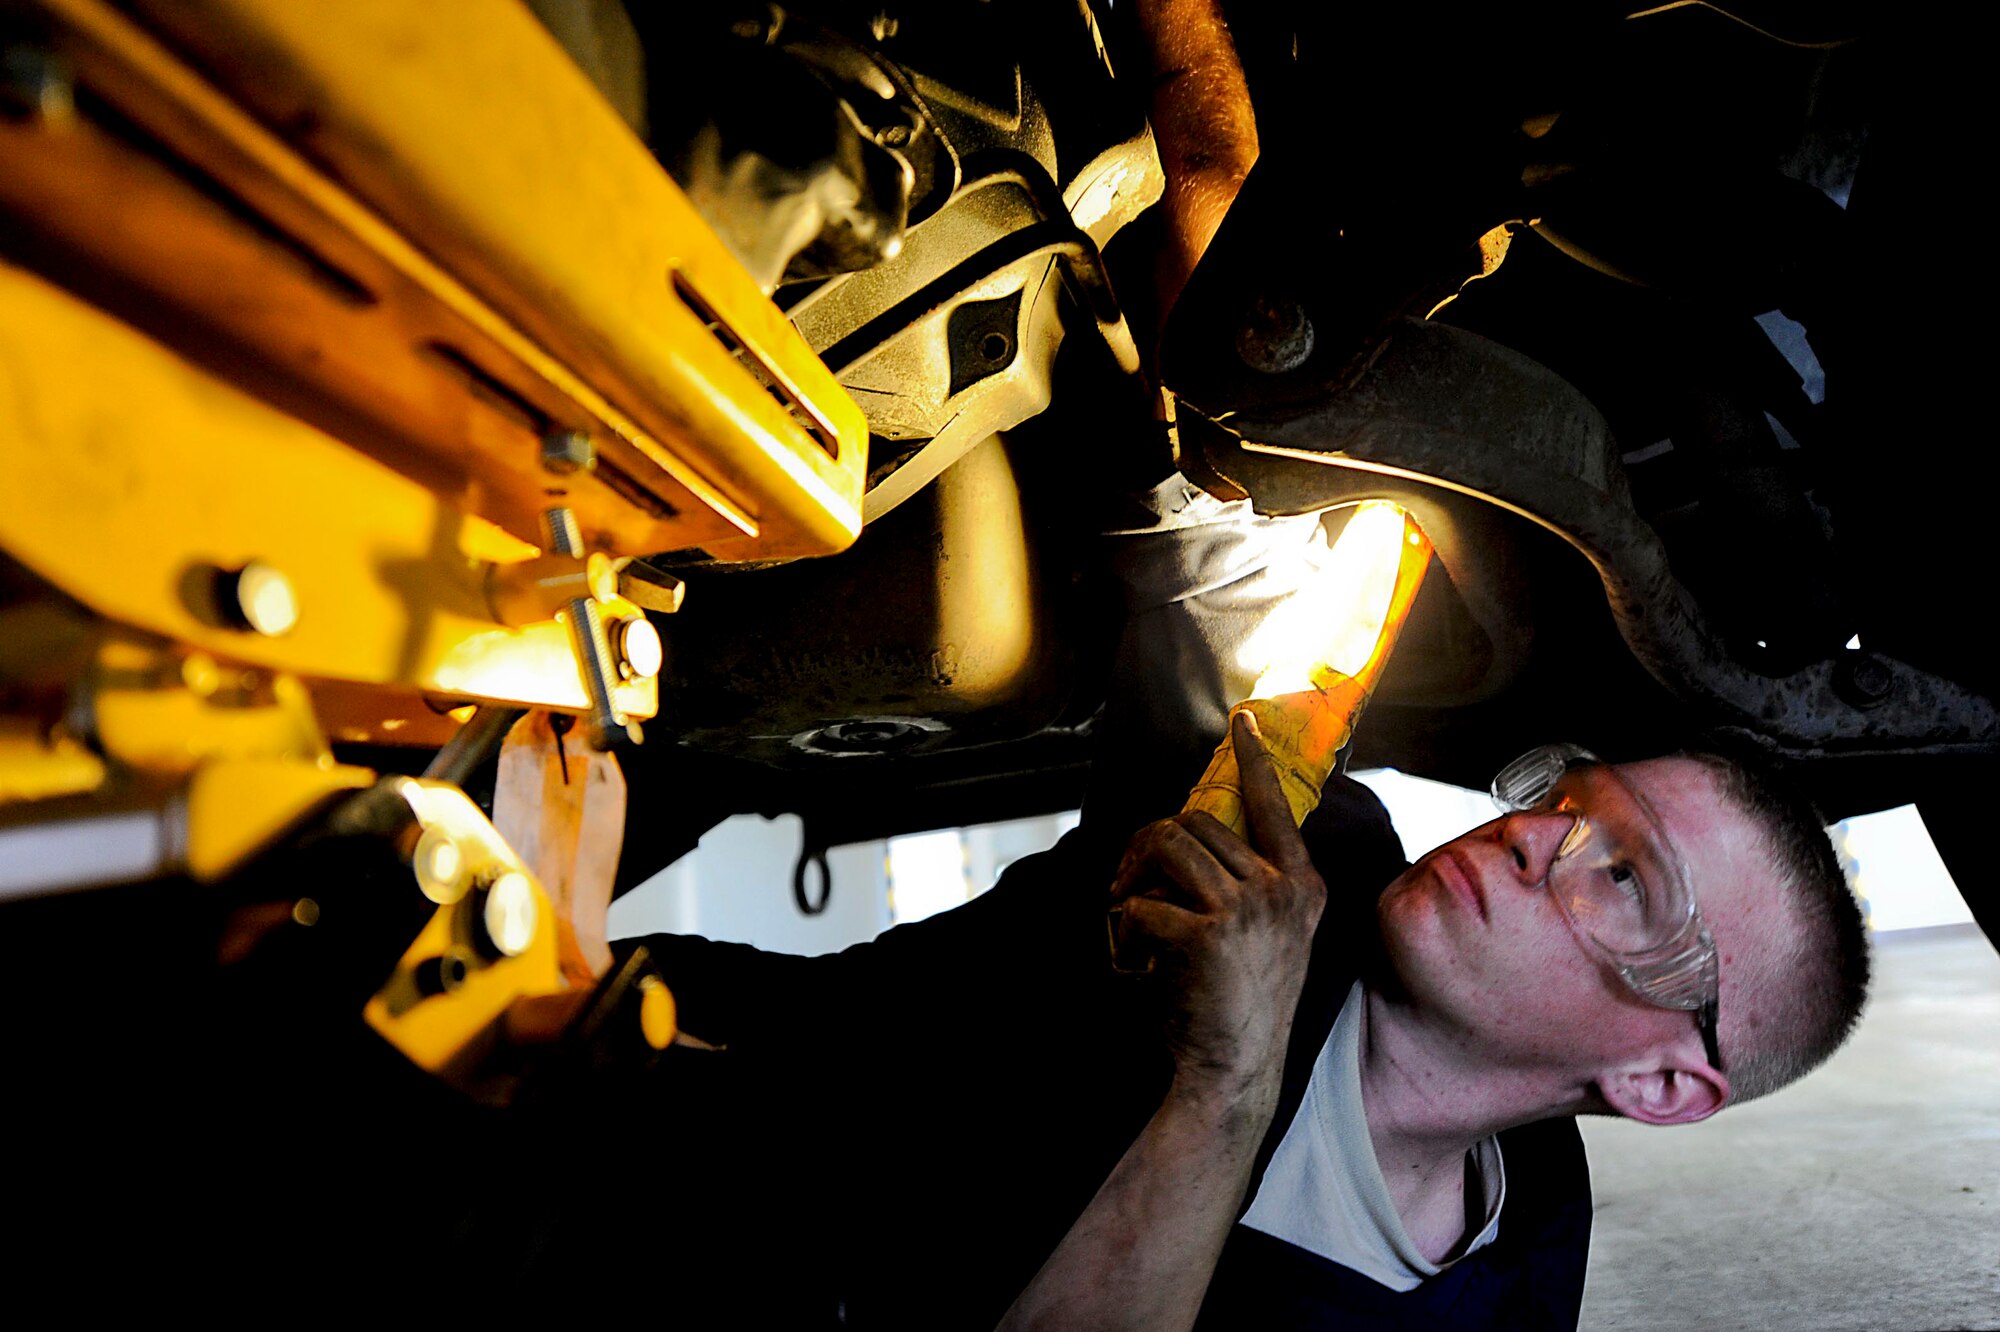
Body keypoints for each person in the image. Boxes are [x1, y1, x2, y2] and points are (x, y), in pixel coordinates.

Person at [600, 711, 1868, 1330]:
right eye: (1567, 801)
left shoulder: (1506, 1283)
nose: (1537, 836)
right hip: (610, 1030)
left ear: (1659, 1087)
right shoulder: (1312, 838)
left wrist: (1225, 1085)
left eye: (1627, 881)